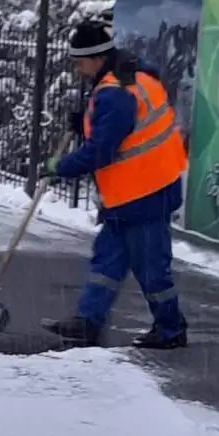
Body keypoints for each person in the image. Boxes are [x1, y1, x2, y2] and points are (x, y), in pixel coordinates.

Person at [40, 20, 189, 349]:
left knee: (152, 270)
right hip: (130, 193)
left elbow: (100, 152)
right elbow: (123, 132)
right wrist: (86, 122)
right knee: (106, 261)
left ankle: (170, 329)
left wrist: (58, 167)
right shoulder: (130, 77)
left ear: (96, 58)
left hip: (147, 193)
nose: (78, 70)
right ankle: (87, 323)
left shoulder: (115, 93)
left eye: (80, 63)